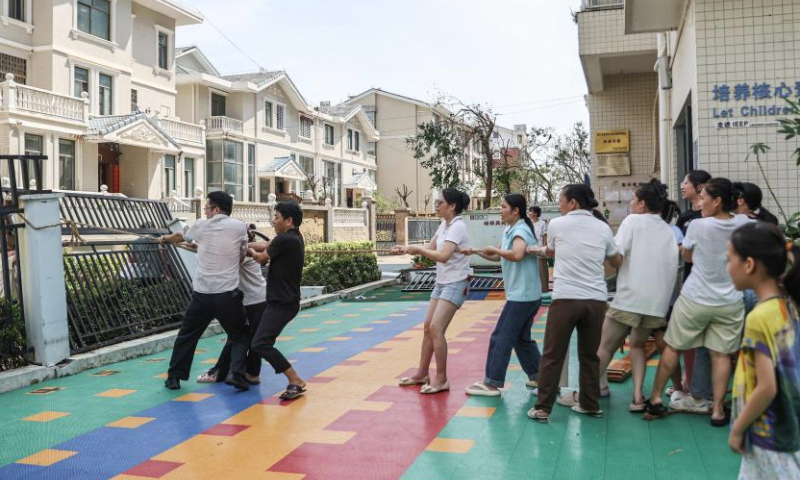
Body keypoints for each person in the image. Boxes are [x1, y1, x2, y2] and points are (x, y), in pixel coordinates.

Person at [644, 177, 752, 425]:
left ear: (717, 201)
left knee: (673, 346)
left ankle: (657, 399)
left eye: (704, 197)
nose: (700, 202)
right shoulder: (744, 224)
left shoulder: (698, 227)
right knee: (721, 355)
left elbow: (689, 257)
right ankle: (716, 411)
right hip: (730, 300)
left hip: (696, 298)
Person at [526, 184, 621, 422]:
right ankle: (590, 404)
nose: (559, 205)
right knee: (590, 356)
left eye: (561, 201)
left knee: (552, 354)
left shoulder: (558, 224)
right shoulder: (602, 227)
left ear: (573, 203)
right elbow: (616, 259)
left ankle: (542, 408)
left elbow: (550, 251)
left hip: (566, 298)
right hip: (596, 301)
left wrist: (533, 250)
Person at [595, 179, 679, 412]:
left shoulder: (632, 221)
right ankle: (637, 398)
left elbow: (617, 256)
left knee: (605, 347)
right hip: (657, 303)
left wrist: (608, 257)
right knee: (638, 346)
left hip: (630, 298)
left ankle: (585, 393)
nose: (631, 203)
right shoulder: (667, 229)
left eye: (633, 199)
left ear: (642, 204)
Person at [726, 222, 800, 479]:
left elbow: (767, 387)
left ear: (749, 264)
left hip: (767, 433)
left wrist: (737, 428)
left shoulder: (759, 317)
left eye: (729, 260)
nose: (728, 268)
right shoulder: (790, 306)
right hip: (789, 425)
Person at [160, 191, 252, 391]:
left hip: (202, 294)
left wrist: (164, 238)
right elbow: (241, 257)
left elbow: (179, 236)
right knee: (240, 335)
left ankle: (174, 378)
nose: (205, 211)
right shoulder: (239, 227)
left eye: (207, 208)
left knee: (187, 335)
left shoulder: (200, 225)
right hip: (227, 294)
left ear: (216, 209)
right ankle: (236, 374)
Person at [391, 188, 472, 394]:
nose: (436, 205)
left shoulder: (458, 226)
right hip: (442, 282)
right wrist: (406, 248)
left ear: (452, 206)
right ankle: (422, 373)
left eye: (440, 202)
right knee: (428, 327)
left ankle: (442, 378)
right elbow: (430, 249)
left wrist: (417, 250)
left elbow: (443, 256)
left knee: (436, 329)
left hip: (456, 282)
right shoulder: (444, 225)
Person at [463, 193, 542, 396]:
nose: (500, 210)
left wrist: (495, 252)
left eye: (503, 206)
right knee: (521, 339)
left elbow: (516, 254)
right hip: (525, 295)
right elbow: (496, 256)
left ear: (515, 211)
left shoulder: (521, 230)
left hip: (522, 296)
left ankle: (492, 383)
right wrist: (475, 251)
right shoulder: (510, 229)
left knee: (500, 337)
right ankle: (541, 377)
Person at [248, 201, 307, 401]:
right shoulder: (293, 237)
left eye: (277, 217)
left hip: (282, 303)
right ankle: (249, 373)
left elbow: (261, 258)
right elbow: (266, 245)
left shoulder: (285, 240)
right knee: (260, 341)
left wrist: (246, 251)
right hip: (282, 301)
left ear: (288, 220)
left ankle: (295, 379)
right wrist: (245, 244)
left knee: (260, 344)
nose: (274, 221)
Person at [197, 226, 267, 385]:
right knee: (251, 338)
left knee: (238, 338)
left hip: (252, 301)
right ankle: (250, 373)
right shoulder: (246, 250)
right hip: (258, 300)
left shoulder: (240, 253)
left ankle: (220, 372)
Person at [670, 170, 714, 413]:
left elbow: (687, 251)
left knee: (709, 344)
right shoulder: (684, 218)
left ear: (700, 188)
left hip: (713, 289)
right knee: (691, 340)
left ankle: (701, 391)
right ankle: (689, 384)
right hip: (690, 283)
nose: (682, 186)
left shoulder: (716, 219)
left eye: (686, 182)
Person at [528, 206, 549, 293]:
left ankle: (544, 290)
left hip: (539, 250)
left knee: (542, 271)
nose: (529, 213)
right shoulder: (528, 223)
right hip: (530, 250)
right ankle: (533, 291)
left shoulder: (542, 223)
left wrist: (544, 249)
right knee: (531, 271)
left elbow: (545, 236)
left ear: (535, 213)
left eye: (530, 211)